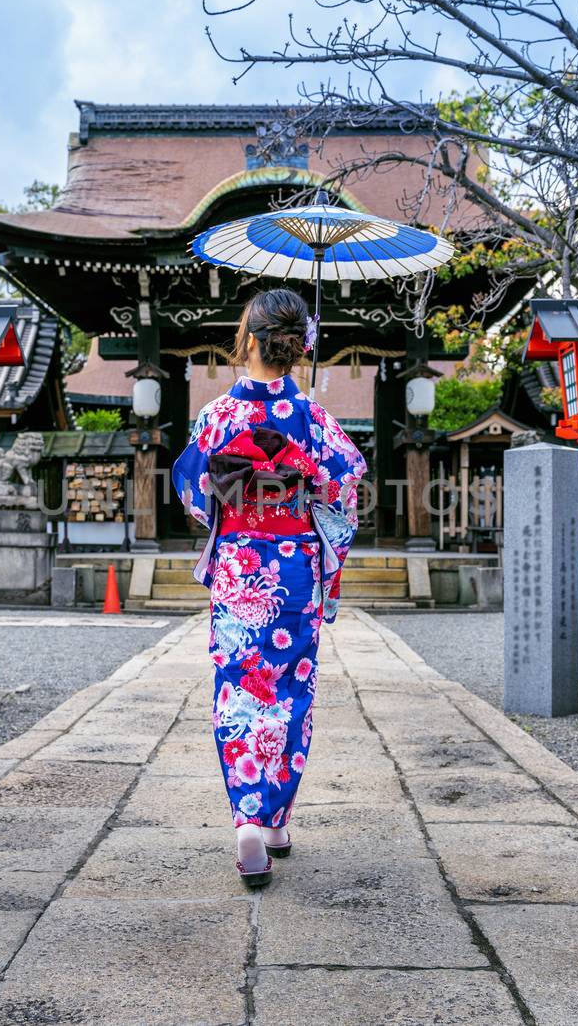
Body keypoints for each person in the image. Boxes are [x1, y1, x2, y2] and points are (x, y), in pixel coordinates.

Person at [170, 287, 366, 888]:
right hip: (296, 570)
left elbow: (191, 491)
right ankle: (274, 816)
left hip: (238, 569)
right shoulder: (314, 420)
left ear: (248, 340)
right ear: (298, 348)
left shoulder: (217, 418)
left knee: (239, 685)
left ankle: (249, 821)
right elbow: (346, 490)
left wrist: (235, 520)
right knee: (289, 689)